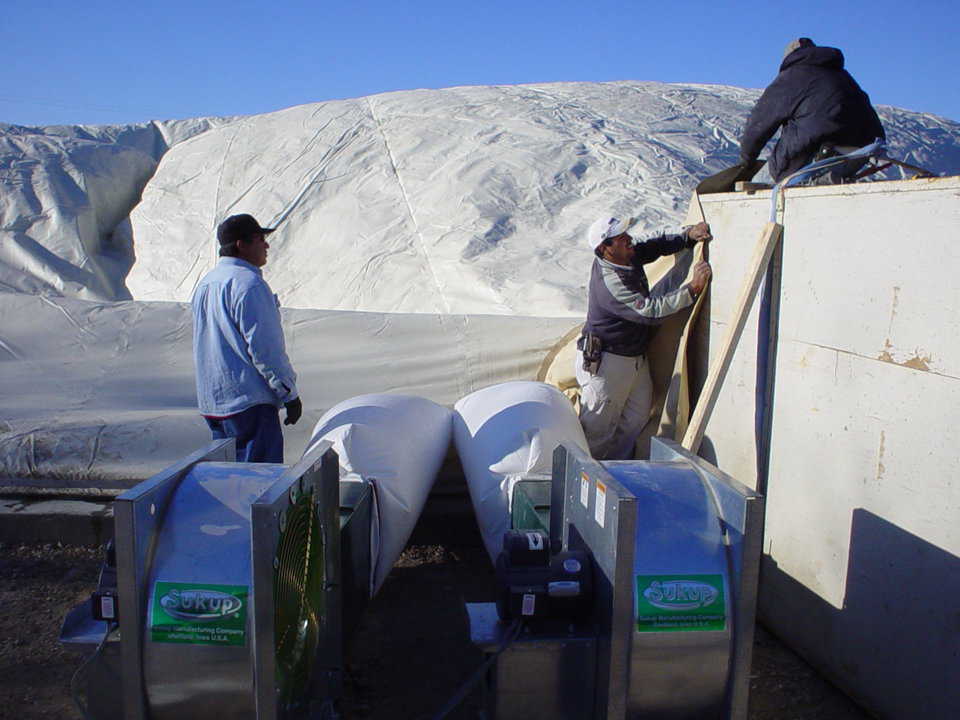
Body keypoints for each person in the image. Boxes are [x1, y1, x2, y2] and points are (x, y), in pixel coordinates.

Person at [576, 215, 712, 459]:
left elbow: (653, 245)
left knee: (636, 418)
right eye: (620, 238)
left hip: (632, 357)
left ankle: (617, 472)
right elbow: (650, 311)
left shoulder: (624, 254)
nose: (629, 240)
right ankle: (590, 480)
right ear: (605, 248)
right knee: (598, 430)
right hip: (608, 363)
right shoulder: (611, 282)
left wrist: (688, 234)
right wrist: (693, 289)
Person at [191, 213, 302, 463]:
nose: (267, 245)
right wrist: (289, 394)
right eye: (260, 238)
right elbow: (265, 348)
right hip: (249, 405)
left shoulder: (206, 284)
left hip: (215, 404)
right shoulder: (249, 285)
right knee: (257, 486)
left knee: (229, 485)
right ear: (241, 245)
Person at [739, 37, 885, 184]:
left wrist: (747, 160)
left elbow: (759, 123)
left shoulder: (792, 76)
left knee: (757, 185)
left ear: (788, 58)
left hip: (817, 155)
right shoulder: (844, 77)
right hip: (860, 154)